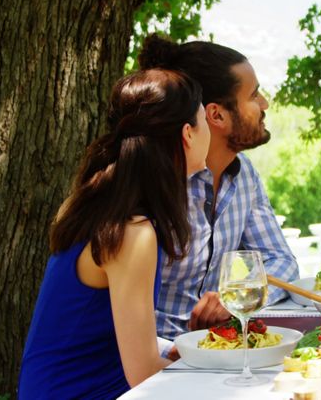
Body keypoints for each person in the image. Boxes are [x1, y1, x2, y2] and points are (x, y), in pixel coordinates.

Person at [18, 69, 211, 398]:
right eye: (204, 117)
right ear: (188, 134)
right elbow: (143, 374)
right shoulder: (133, 232)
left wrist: (180, 358)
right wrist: (220, 365)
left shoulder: (96, 200)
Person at [137, 34, 299, 342]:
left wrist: (233, 296)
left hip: (210, 350)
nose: (264, 105)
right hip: (154, 364)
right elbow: (120, 319)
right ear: (216, 115)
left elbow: (281, 262)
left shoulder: (245, 176)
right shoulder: (151, 184)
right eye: (253, 96)